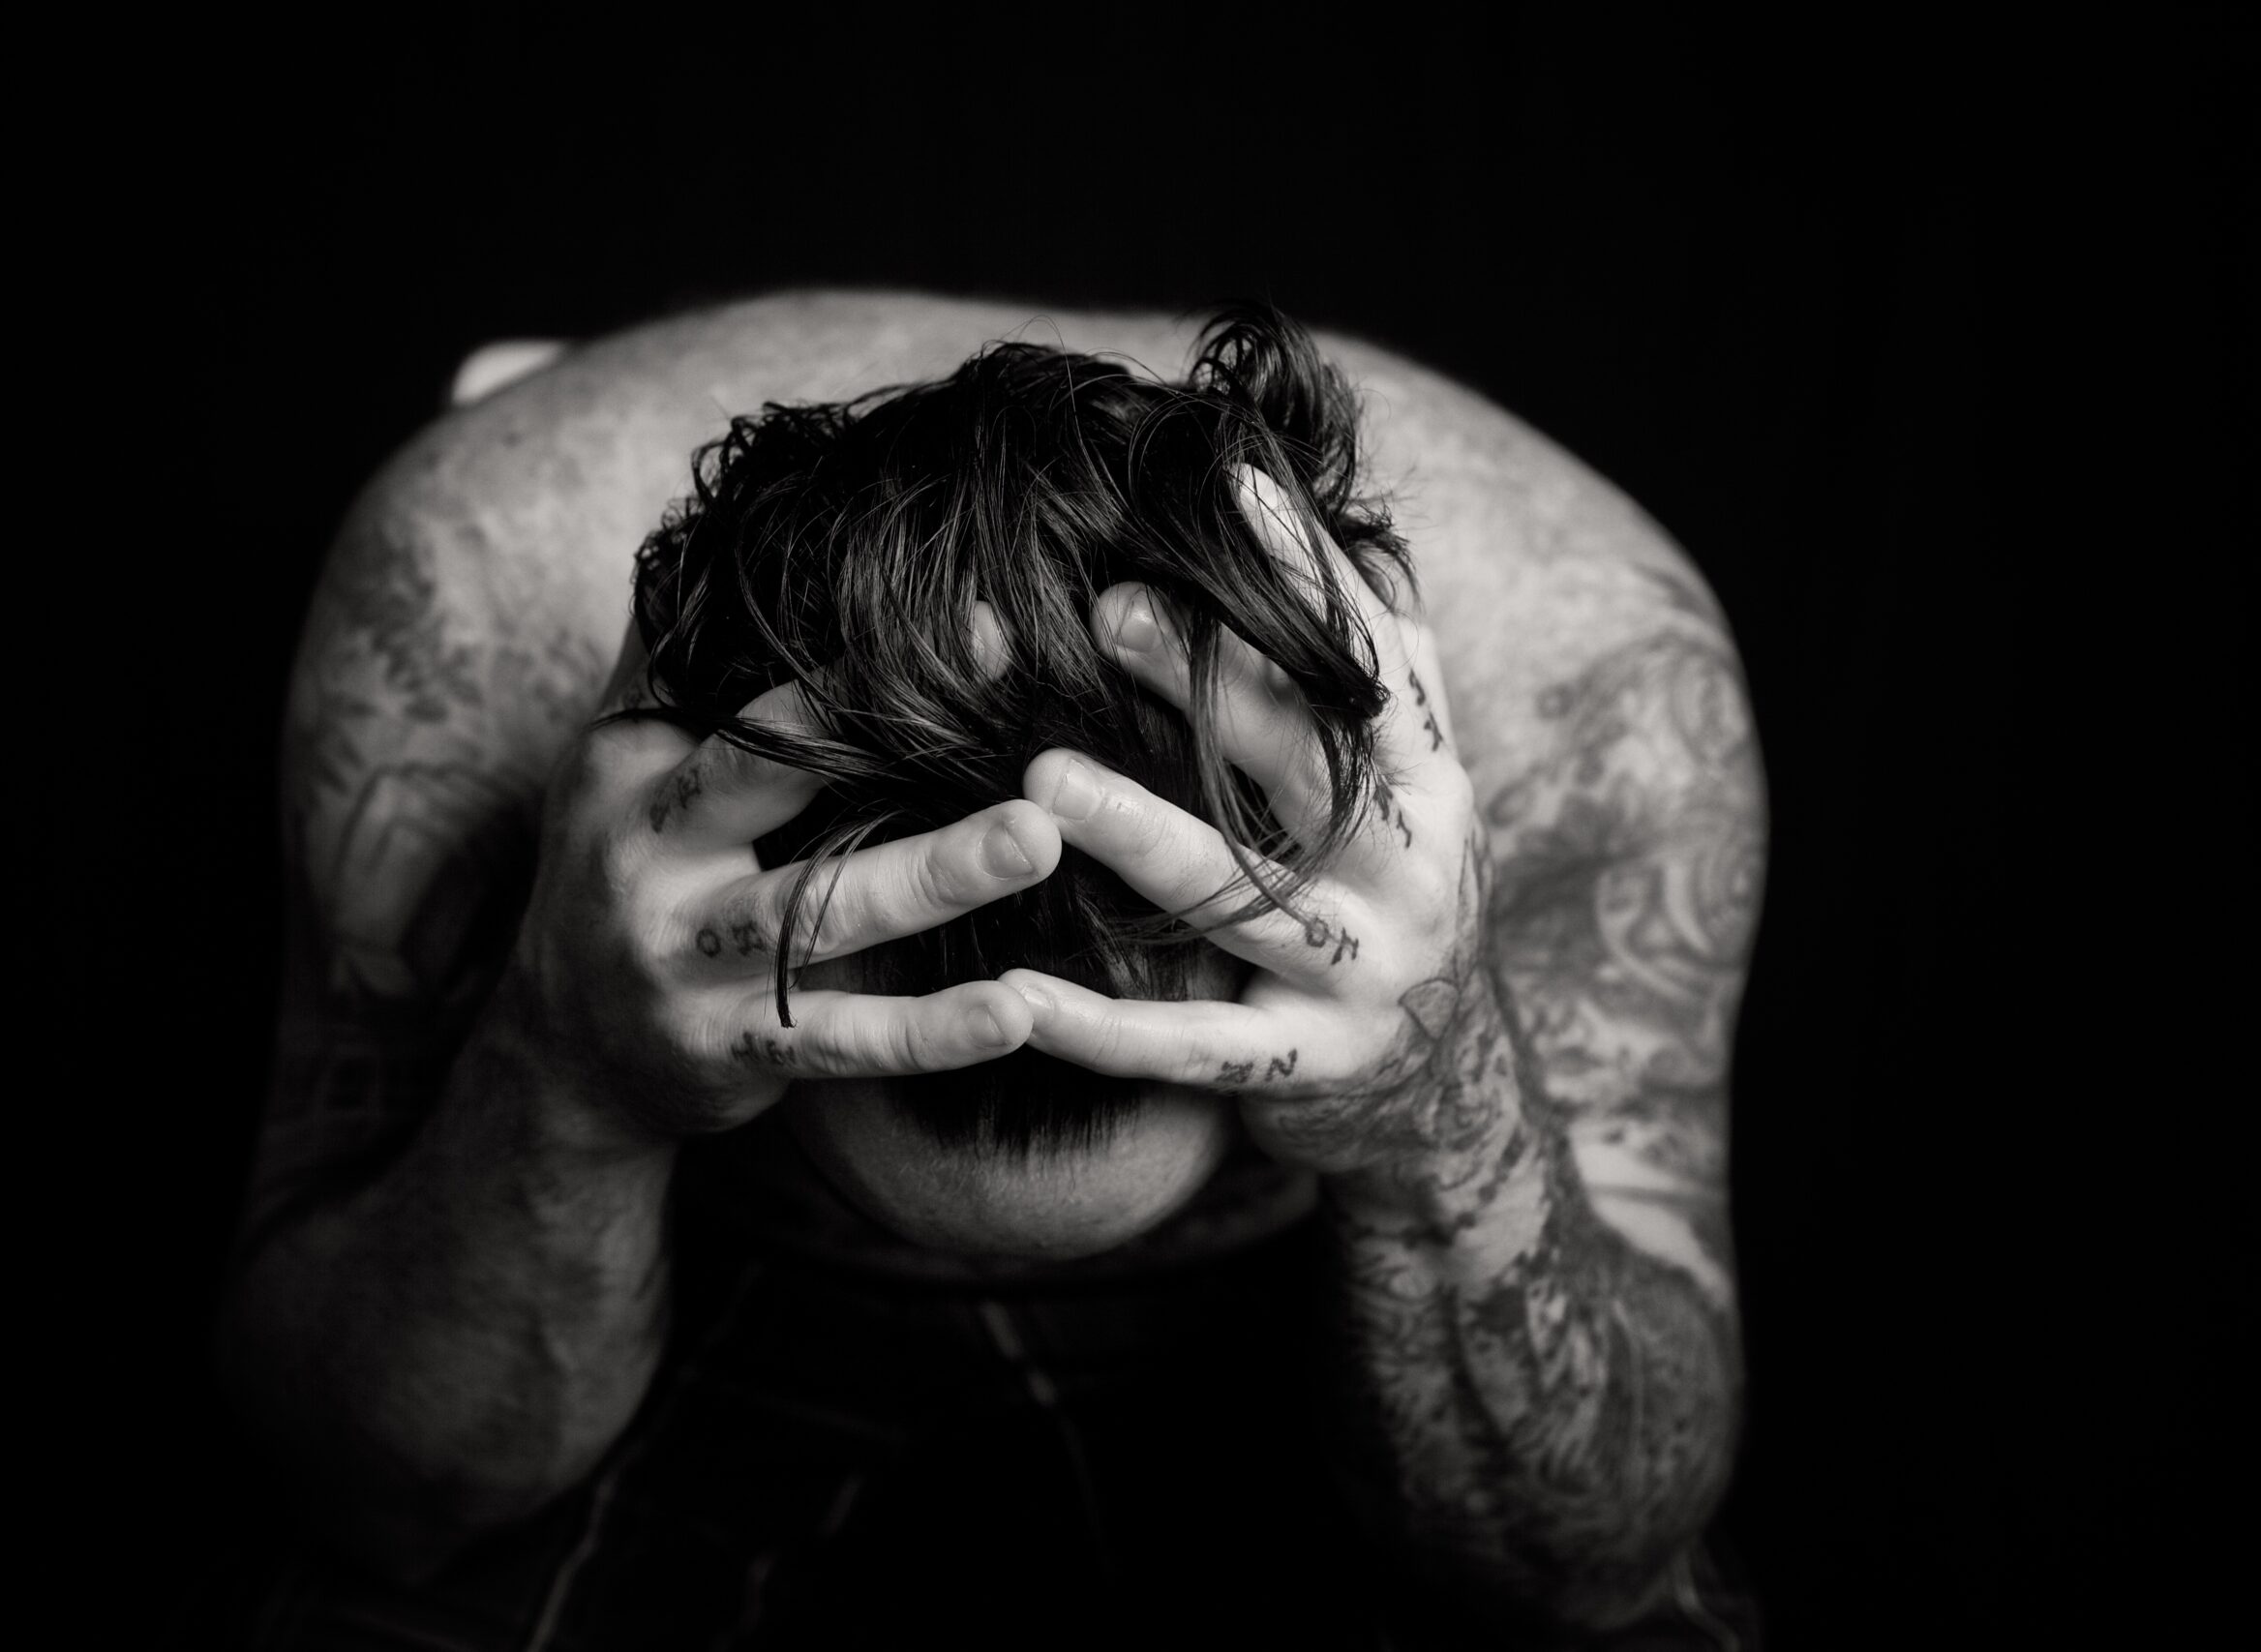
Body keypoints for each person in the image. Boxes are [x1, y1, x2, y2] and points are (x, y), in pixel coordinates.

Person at [210, 293, 1766, 1649]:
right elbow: (375, 1501)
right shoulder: (475, 601)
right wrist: (566, 1069)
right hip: (679, 1276)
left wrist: (1442, 1107)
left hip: (1309, 1307)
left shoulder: (1587, 691)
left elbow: (1590, 1566)